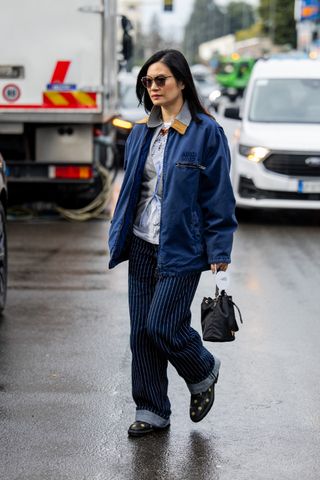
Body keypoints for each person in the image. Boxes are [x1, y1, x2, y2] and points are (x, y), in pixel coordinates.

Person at [108, 49, 237, 437]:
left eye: (161, 79)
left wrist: (219, 250)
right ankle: (151, 409)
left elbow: (218, 196)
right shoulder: (140, 132)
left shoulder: (205, 132)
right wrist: (116, 231)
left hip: (182, 247)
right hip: (142, 243)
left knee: (163, 325)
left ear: (182, 82)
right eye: (148, 81)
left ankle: (203, 369)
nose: (153, 87)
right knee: (140, 333)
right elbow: (131, 189)